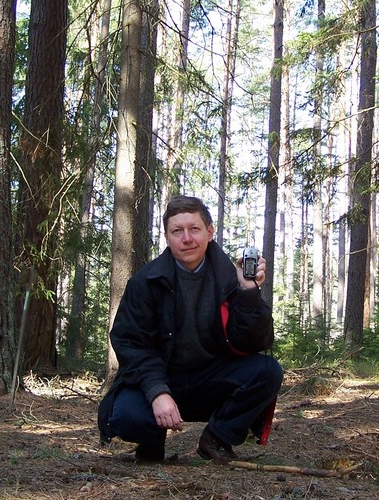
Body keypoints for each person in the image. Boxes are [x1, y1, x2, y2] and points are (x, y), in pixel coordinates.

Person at [97, 195, 283, 464]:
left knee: (267, 371)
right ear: (167, 237)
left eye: (194, 229)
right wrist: (157, 392)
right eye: (177, 231)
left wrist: (248, 292)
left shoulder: (232, 278)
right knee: (127, 416)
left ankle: (216, 439)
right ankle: (151, 443)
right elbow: (131, 344)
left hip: (210, 380)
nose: (187, 238)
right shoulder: (145, 282)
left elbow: (257, 342)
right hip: (161, 378)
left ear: (209, 232)